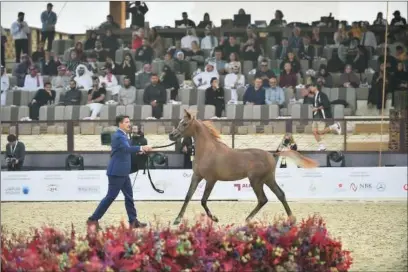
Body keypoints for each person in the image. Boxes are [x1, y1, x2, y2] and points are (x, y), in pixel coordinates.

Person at [87, 115, 153, 229]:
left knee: (129, 196)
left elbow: (124, 151)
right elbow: (127, 149)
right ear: (120, 124)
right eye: (127, 122)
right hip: (117, 172)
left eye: (129, 122)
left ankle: (133, 221)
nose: (129, 124)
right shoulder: (119, 136)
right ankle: (92, 219)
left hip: (122, 172)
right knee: (110, 197)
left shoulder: (122, 135)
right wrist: (142, 148)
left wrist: (139, 152)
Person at [309, 84, 341, 151]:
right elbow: (316, 106)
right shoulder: (314, 96)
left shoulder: (322, 95)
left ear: (315, 87)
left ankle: (335, 126)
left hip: (321, 115)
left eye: (311, 86)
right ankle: (322, 146)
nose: (310, 88)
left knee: (320, 132)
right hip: (315, 115)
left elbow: (326, 104)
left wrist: (316, 108)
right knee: (314, 131)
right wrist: (314, 108)